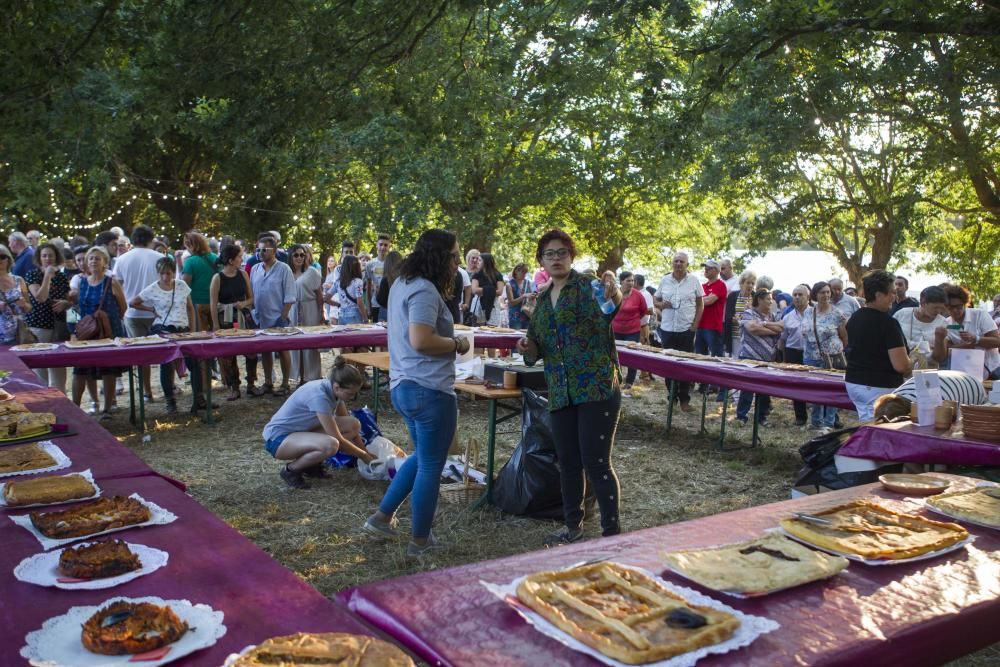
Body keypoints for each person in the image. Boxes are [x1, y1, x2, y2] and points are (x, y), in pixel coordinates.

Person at [363, 229, 472, 557]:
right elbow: (422, 340)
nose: (457, 262)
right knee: (431, 466)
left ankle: (381, 517)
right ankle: (420, 541)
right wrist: (458, 343)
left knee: (421, 458)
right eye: (453, 255)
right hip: (428, 390)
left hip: (405, 387)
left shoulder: (402, 283)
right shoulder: (424, 290)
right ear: (439, 256)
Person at [516, 229, 623, 545]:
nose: (556, 258)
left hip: (596, 387)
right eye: (550, 253)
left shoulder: (587, 285)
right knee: (568, 462)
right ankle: (572, 526)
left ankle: (611, 533)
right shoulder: (541, 300)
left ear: (571, 257)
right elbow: (536, 353)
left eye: (562, 252)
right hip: (561, 390)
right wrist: (527, 346)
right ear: (542, 260)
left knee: (596, 461)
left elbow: (610, 307)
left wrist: (613, 292)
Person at [263, 356, 373, 489]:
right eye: (350, 394)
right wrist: (364, 456)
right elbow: (338, 438)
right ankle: (290, 470)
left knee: (353, 424)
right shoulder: (319, 396)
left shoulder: (333, 389)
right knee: (331, 444)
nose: (353, 397)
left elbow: (347, 423)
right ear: (337, 387)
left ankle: (311, 465)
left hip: (298, 434)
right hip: (278, 439)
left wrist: (365, 452)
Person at [131, 257, 200, 414]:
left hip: (183, 329)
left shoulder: (181, 285)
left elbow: (190, 307)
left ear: (173, 272)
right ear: (158, 273)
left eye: (168, 273)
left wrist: (193, 330)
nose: (165, 277)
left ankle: (199, 398)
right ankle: (170, 401)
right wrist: (151, 311)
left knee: (194, 363)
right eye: (162, 274)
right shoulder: (153, 288)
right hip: (164, 329)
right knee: (166, 365)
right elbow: (133, 302)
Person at [69, 247, 128, 421]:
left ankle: (107, 408)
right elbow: (77, 308)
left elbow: (123, 307)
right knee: (81, 370)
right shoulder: (82, 282)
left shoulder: (111, 281)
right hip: (87, 333)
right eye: (91, 258)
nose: (94, 261)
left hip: (108, 332)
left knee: (108, 370)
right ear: (86, 262)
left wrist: (108, 323)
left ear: (105, 262)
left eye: (98, 259)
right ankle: (76, 407)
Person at [845, 270, 912, 421]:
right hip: (878, 386)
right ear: (878, 295)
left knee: (868, 423)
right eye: (891, 293)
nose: (894, 297)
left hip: (854, 383)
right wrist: (912, 360)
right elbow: (901, 366)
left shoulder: (854, 318)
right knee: (878, 429)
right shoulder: (888, 323)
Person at [111, 224, 162, 400]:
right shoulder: (159, 257)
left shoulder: (122, 259)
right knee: (165, 353)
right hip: (157, 312)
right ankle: (168, 389)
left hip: (132, 313)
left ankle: (146, 390)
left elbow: (117, 285)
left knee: (142, 355)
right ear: (151, 239)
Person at [654, 252, 704, 412]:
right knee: (668, 365)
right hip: (667, 329)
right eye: (676, 261)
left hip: (686, 329)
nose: (678, 264)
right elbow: (655, 300)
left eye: (682, 261)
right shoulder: (664, 280)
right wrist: (661, 304)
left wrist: (695, 326)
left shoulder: (694, 281)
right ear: (672, 263)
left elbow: (700, 304)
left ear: (687, 265)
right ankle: (671, 397)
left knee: (684, 366)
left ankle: (684, 400)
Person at [249, 234, 296, 397]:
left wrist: (282, 318)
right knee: (265, 351)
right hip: (260, 317)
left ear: (274, 250)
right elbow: (252, 294)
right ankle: (268, 382)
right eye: (259, 249)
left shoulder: (284, 269)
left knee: (283, 350)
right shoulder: (255, 269)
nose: (261, 253)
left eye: (265, 249)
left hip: (278, 317)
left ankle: (284, 383)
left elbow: (290, 296)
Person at [801, 281, 848, 432]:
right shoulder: (809, 312)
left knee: (832, 390)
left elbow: (845, 337)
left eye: (828, 292)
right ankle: (816, 421)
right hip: (811, 356)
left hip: (832, 357)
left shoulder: (837, 314)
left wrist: (842, 352)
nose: (826, 295)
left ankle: (829, 422)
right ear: (815, 294)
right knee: (814, 390)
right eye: (822, 292)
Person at [23, 243, 70, 391]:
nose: (48, 258)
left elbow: (69, 300)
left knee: (58, 369)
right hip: (38, 326)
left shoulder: (62, 277)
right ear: (39, 258)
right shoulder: (33, 275)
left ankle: (61, 405)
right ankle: (44, 406)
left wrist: (66, 303)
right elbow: (40, 297)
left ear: (56, 257)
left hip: (58, 326)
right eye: (44, 255)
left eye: (51, 255)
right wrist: (48, 276)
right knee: (40, 370)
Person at [210, 244, 254, 400]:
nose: (242, 259)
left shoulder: (243, 275)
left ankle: (251, 384)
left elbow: (251, 298)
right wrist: (216, 325)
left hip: (243, 317)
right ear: (230, 260)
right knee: (229, 355)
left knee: (251, 352)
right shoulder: (217, 278)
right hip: (225, 319)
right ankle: (234, 387)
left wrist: (244, 304)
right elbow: (213, 304)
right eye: (239, 257)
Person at [933, 284, 1000, 380]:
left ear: (965, 303)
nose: (955, 310)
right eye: (950, 307)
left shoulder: (979, 315)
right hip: (964, 374)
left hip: (992, 370)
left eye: (958, 306)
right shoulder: (945, 323)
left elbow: (997, 341)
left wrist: (975, 339)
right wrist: (961, 346)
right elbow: (944, 353)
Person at [735, 289, 783, 425]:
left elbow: (781, 327)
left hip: (768, 359)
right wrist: (772, 331)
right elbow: (753, 329)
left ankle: (761, 417)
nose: (770, 301)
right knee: (747, 388)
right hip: (749, 357)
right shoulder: (748, 313)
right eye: (768, 299)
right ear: (760, 300)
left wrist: (764, 324)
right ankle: (741, 417)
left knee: (764, 390)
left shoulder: (772, 316)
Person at [288, 243, 324, 384]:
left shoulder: (312, 272)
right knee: (295, 344)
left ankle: (312, 377)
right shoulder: (287, 272)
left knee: (310, 345)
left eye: (302, 255)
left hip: (310, 308)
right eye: (296, 254)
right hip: (292, 310)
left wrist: (321, 313)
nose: (299, 257)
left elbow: (319, 295)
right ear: (291, 256)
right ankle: (299, 377)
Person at [778, 283, 811, 425]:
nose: (797, 297)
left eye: (800, 294)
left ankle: (829, 418)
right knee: (797, 385)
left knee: (817, 384)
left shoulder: (815, 313)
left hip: (812, 353)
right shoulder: (787, 317)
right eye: (795, 295)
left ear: (808, 297)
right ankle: (800, 417)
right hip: (793, 353)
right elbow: (783, 340)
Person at [612, 271, 648, 395]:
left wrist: (633, 320)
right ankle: (616, 379)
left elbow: (643, 311)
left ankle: (630, 381)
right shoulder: (614, 293)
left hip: (632, 330)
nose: (631, 283)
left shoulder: (638, 295)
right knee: (615, 355)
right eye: (628, 280)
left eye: (632, 280)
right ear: (621, 281)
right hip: (615, 329)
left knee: (632, 355)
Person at [695, 260, 727, 394]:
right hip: (701, 324)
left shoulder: (721, 285)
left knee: (716, 356)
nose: (705, 270)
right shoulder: (703, 286)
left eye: (708, 268)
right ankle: (703, 384)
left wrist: (696, 300)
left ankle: (717, 384)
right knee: (700, 356)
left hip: (713, 326)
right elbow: (701, 300)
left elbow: (709, 301)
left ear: (716, 270)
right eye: (705, 268)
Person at [893, 285, 947, 351]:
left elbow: (941, 357)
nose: (938, 311)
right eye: (935, 308)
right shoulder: (902, 314)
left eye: (941, 308)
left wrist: (940, 340)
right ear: (922, 302)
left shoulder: (942, 322)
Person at [0, 244, 32, 345]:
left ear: (8, 259)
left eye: (2, 257)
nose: (0, 260)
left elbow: (29, 308)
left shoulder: (18, 280)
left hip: (18, 334)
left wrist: (24, 304)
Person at [724, 270, 756, 357]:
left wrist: (752, 309)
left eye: (752, 283)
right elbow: (728, 316)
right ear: (741, 283)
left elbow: (759, 316)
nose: (750, 286)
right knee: (735, 360)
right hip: (736, 335)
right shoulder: (733, 296)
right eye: (748, 283)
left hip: (751, 337)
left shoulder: (756, 297)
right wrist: (733, 318)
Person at [471, 252, 506, 326]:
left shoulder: (497, 275)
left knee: (492, 329)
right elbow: (474, 290)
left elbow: (500, 291)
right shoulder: (476, 274)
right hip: (479, 304)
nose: (477, 262)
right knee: (479, 330)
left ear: (486, 262)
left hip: (493, 304)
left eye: (480, 260)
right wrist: (491, 289)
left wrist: (483, 290)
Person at [365, 233, 392, 322]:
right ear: (377, 245)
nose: (383, 247)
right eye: (381, 244)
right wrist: (368, 307)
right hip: (376, 303)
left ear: (389, 247)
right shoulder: (370, 264)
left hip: (391, 303)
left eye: (385, 245)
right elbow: (368, 287)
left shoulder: (393, 264)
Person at [335, 255, 367, 325]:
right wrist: (365, 319)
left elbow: (326, 299)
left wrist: (338, 304)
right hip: (354, 315)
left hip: (341, 315)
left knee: (343, 336)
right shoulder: (358, 281)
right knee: (355, 336)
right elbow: (359, 302)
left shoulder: (338, 282)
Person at [375, 251, 403, 323]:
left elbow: (381, 301)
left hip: (385, 311)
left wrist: (377, 292)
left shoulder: (385, 279)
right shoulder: (404, 279)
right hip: (400, 312)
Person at [505, 263, 535, 330]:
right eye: (523, 272)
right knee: (515, 337)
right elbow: (511, 302)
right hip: (515, 316)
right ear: (516, 271)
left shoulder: (527, 283)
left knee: (526, 337)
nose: (524, 275)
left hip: (527, 314)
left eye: (526, 273)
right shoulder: (509, 285)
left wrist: (532, 296)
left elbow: (530, 297)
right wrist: (524, 296)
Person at [322, 254, 339, 323]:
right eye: (328, 261)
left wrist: (327, 285)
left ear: (335, 263)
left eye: (332, 261)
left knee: (333, 319)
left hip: (334, 299)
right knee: (329, 317)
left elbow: (337, 285)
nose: (329, 262)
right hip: (327, 299)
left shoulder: (336, 272)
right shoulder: (328, 274)